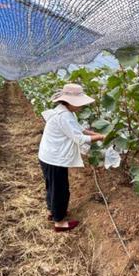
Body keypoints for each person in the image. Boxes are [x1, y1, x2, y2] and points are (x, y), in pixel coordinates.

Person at [38, 83, 105, 231]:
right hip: (54, 159)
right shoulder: (64, 117)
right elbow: (79, 138)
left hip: (48, 156)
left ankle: (53, 211)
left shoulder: (65, 112)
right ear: (69, 102)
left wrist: (95, 134)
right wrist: (100, 137)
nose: (81, 107)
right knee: (60, 190)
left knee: (52, 186)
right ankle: (59, 223)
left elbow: (79, 129)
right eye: (79, 103)